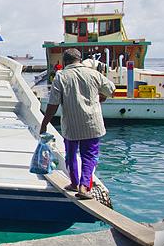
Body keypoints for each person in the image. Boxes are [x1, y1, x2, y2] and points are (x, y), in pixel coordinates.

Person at [39, 48, 115, 200]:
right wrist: (101, 97)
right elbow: (111, 89)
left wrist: (44, 123)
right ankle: (84, 186)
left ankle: (75, 183)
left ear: (65, 61)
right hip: (92, 123)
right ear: (79, 59)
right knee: (90, 155)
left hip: (71, 124)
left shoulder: (61, 77)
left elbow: (53, 104)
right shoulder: (93, 74)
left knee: (71, 155)